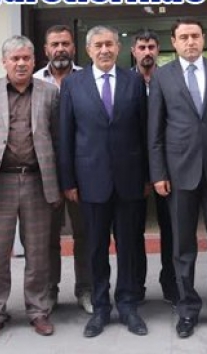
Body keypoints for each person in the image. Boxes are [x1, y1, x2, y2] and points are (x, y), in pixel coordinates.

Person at [148, 18, 207, 338]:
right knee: (182, 245)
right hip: (178, 173)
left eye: (195, 36)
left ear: (204, 39)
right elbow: (155, 131)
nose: (190, 42)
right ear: (174, 42)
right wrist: (158, 173)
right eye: (184, 37)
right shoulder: (162, 76)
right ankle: (187, 308)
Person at [0, 35, 60, 341]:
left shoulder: (48, 92)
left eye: (26, 58)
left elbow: (57, 139)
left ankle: (38, 310)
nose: (21, 63)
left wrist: (58, 185)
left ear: (34, 61)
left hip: (36, 181)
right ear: (4, 62)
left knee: (38, 252)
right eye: (15, 59)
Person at [59, 25, 149, 338]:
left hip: (129, 179)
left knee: (129, 246)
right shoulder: (73, 84)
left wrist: (148, 176)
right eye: (98, 45)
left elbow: (144, 131)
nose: (105, 50)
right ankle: (100, 307)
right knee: (96, 247)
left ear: (118, 48)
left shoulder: (133, 81)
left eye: (110, 44)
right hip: (90, 180)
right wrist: (68, 180)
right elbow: (66, 135)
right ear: (88, 50)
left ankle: (128, 305)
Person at [33, 25, 92, 314]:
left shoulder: (87, 79)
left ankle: (86, 290)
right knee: (46, 237)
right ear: (46, 50)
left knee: (85, 234)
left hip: (82, 173)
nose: (60, 49)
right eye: (54, 44)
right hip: (42, 173)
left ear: (74, 47)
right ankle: (49, 291)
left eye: (65, 43)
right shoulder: (33, 81)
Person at [130, 28, 177, 305]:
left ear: (158, 50)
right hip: (134, 169)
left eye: (151, 47)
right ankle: (136, 286)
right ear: (133, 51)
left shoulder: (170, 79)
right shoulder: (126, 82)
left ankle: (171, 283)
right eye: (142, 47)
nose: (147, 52)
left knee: (170, 228)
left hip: (168, 168)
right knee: (133, 229)